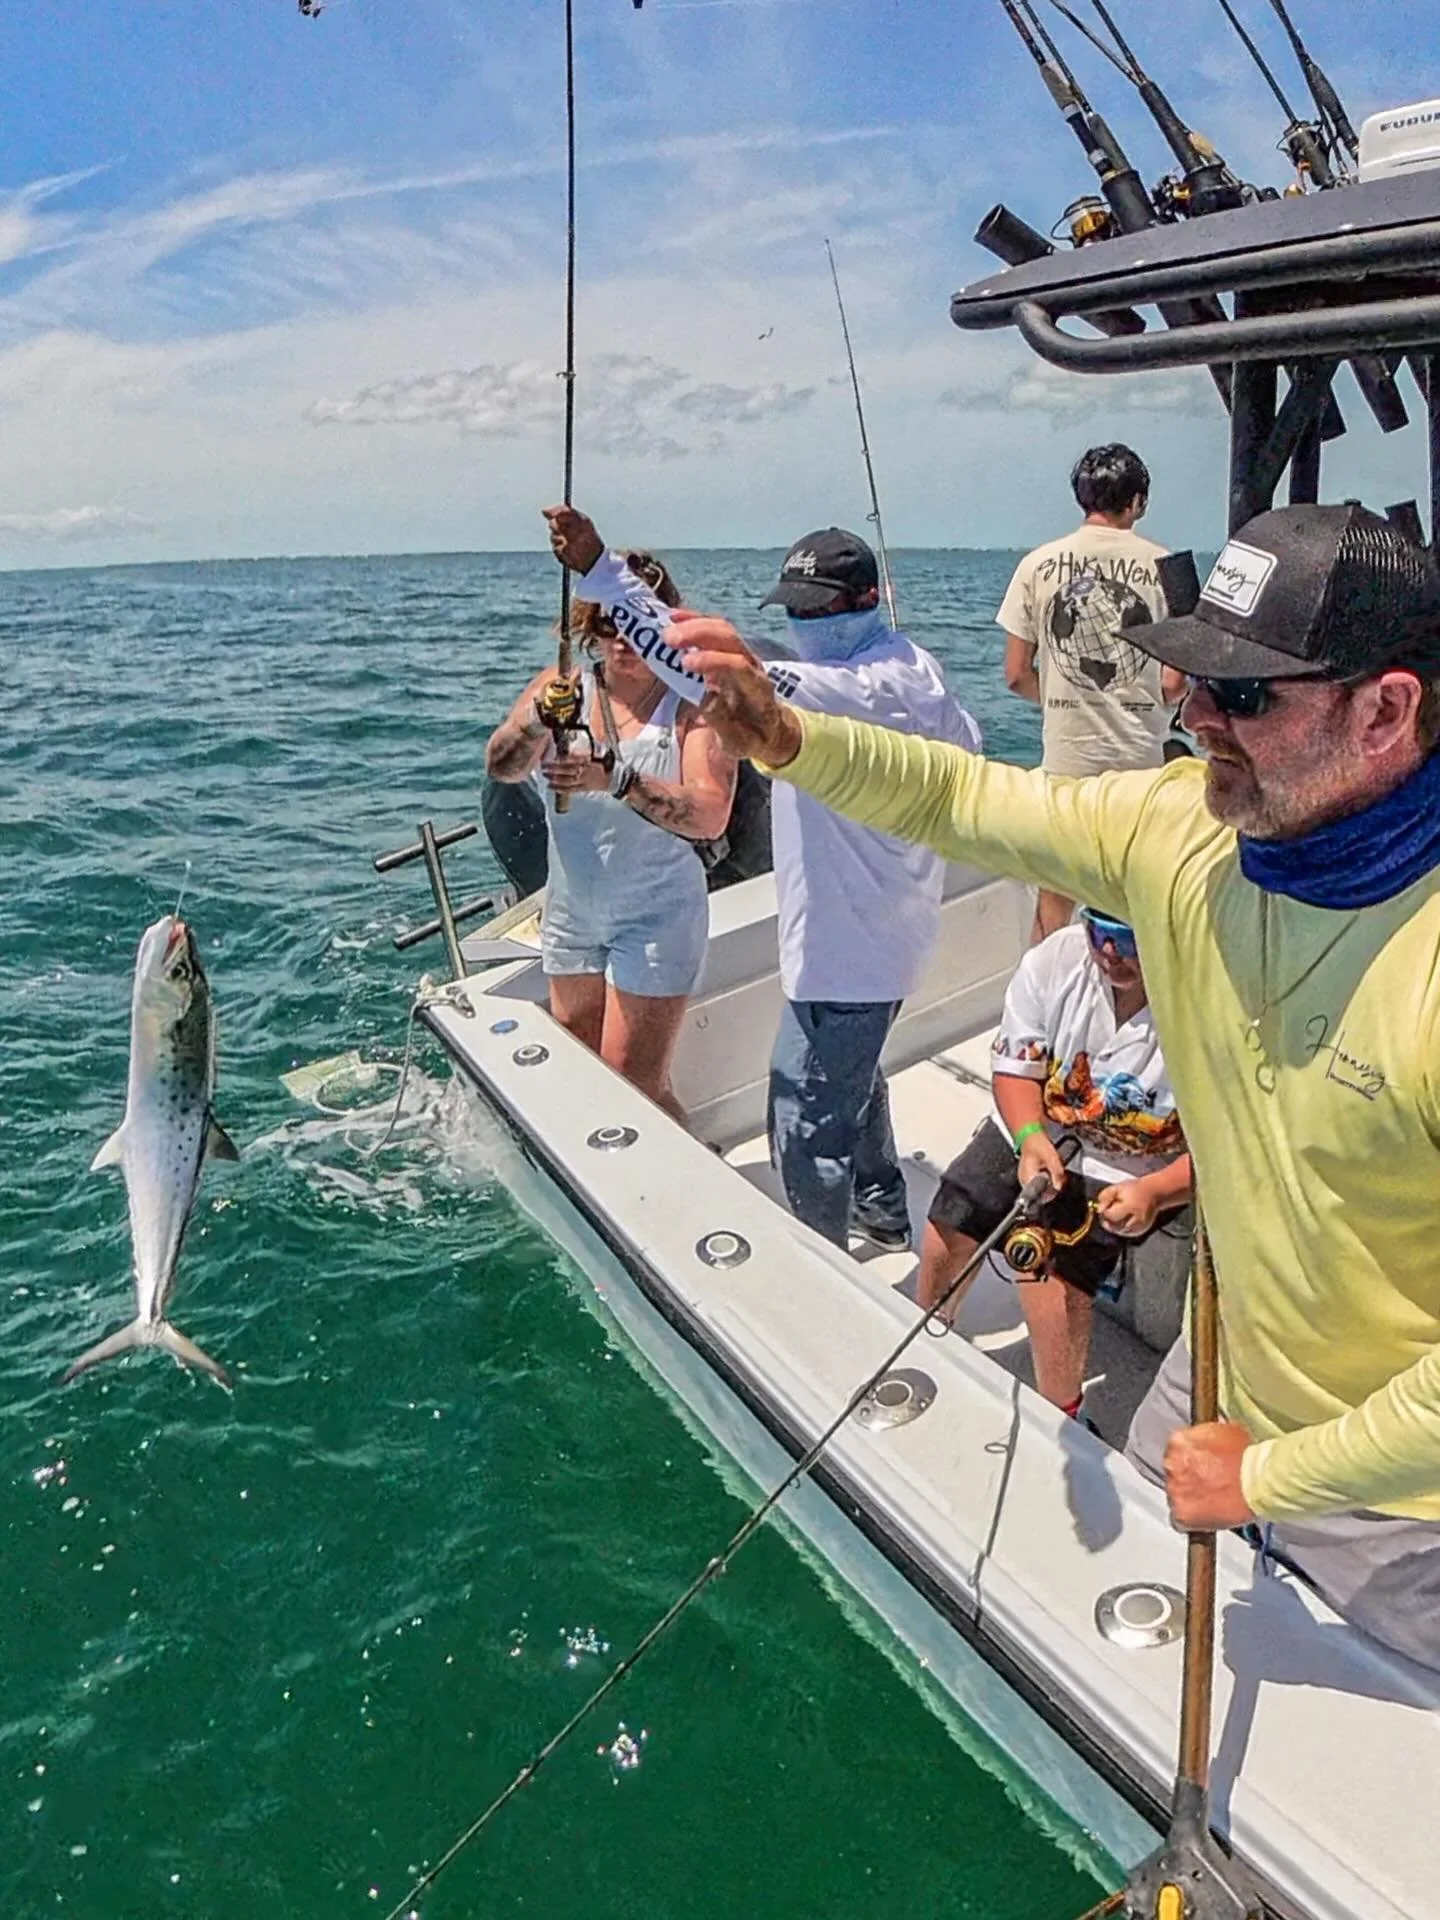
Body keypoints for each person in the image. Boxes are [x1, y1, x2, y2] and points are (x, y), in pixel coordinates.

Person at [671, 501, 1440, 1672]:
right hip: (1221, 1387)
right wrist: (785, 736)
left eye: (1244, 696)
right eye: (1190, 681)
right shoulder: (1180, 827)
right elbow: (966, 800)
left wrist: (1271, 1477)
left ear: (1387, 710)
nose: (1194, 717)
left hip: (1402, 1509)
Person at [543, 506, 982, 1253]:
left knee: (803, 1120)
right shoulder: (919, 671)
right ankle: (879, 1200)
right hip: (892, 927)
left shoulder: (842, 691)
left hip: (846, 953)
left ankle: (819, 1276)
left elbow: (700, 665)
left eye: (817, 610)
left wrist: (599, 571)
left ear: (866, 601)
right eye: (794, 610)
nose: (804, 623)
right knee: (857, 1071)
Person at [484, 552, 736, 1122]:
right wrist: (534, 724)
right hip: (572, 911)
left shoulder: (693, 704)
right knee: (580, 1068)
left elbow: (710, 813)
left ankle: (680, 1183)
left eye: (638, 622)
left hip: (657, 916)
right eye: (608, 623)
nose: (624, 638)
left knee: (633, 1088)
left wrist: (615, 777)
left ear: (665, 625)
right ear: (589, 630)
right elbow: (502, 765)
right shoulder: (563, 685)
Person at [920, 906, 1192, 1416]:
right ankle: (930, 1333)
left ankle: (1061, 1411)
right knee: (954, 1210)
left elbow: (1233, 1147)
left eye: (1128, 939)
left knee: (1054, 1275)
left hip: (1140, 1168)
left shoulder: (1211, 1000)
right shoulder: (1055, 960)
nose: (1110, 952)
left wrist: (1158, 1193)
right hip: (1039, 1127)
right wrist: (1028, 1137)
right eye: (1099, 932)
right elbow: (1015, 1069)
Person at [998, 445, 1187, 941]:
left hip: (1066, 761)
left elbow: (1016, 674)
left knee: (1054, 897)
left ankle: (1040, 997)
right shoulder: (1168, 567)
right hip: (1139, 764)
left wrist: (1071, 699)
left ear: (1080, 498)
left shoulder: (1036, 565)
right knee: (1136, 896)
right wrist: (1131, 700)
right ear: (1139, 502)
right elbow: (1175, 682)